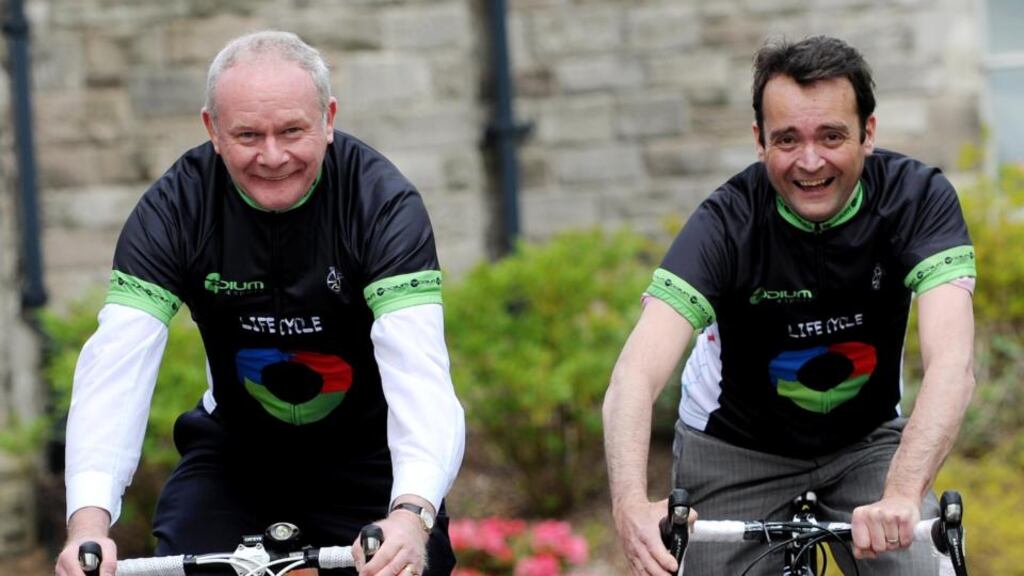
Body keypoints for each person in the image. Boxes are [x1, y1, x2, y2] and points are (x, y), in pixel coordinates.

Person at [54, 30, 465, 576]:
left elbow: (422, 376)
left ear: (328, 119)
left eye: (292, 130)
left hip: (367, 454)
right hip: (235, 452)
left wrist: (412, 514)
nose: (273, 156)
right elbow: (116, 367)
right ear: (212, 130)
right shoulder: (176, 208)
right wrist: (88, 527)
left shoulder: (381, 203)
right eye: (248, 134)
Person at [603, 35, 976, 575]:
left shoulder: (918, 199)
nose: (809, 161)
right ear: (759, 141)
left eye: (832, 136)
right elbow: (633, 378)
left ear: (868, 132)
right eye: (787, 139)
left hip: (865, 442)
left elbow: (953, 366)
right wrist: (631, 506)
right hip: (734, 445)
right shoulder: (725, 222)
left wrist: (901, 492)